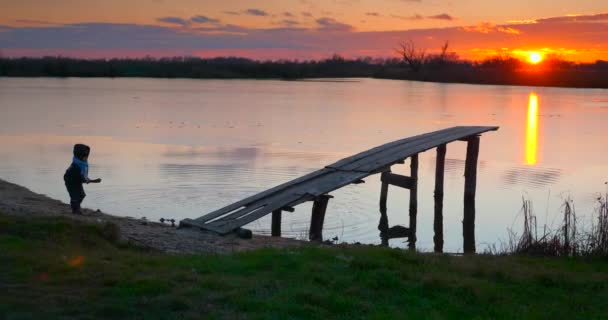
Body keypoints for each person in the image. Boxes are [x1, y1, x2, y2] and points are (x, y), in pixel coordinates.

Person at [64, 144, 101, 215]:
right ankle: (75, 210)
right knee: (75, 196)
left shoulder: (82, 163)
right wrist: (94, 181)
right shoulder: (76, 167)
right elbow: (82, 178)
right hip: (70, 181)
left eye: (87, 155)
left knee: (82, 195)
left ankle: (76, 207)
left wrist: (89, 180)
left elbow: (83, 177)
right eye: (85, 156)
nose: (86, 157)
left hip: (76, 181)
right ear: (80, 156)